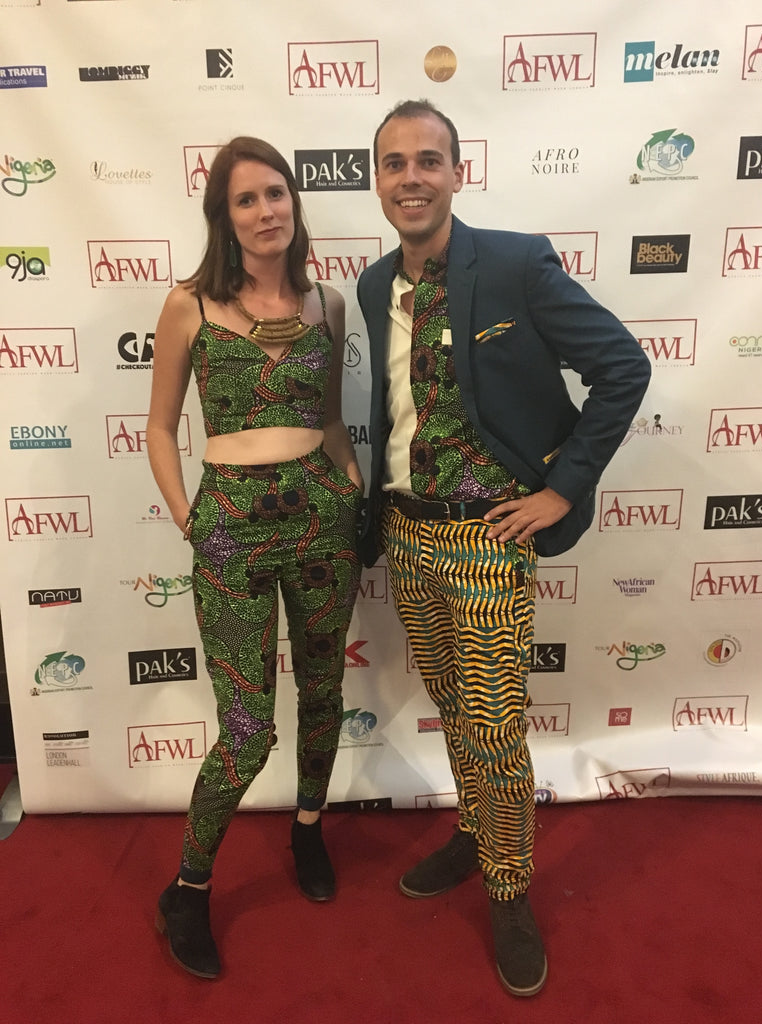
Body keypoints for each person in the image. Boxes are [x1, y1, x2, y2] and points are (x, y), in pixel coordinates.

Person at [356, 100, 651, 998]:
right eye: (395, 162)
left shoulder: (518, 263)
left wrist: (563, 488)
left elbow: (623, 367)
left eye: (428, 160)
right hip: (409, 532)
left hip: (488, 540)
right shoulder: (374, 285)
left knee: (493, 725)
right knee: (454, 706)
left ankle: (511, 888)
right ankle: (478, 834)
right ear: (376, 179)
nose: (411, 177)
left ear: (457, 172)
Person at [147, 136, 362, 979]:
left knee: (324, 689)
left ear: (293, 203)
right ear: (224, 216)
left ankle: (308, 829)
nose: (266, 210)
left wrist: (350, 491)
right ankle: (189, 888)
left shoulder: (327, 303)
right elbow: (160, 427)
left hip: (321, 517)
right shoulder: (188, 305)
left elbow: (333, 420)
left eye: (277, 193)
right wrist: (189, 519)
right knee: (246, 730)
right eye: (246, 199)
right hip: (231, 526)